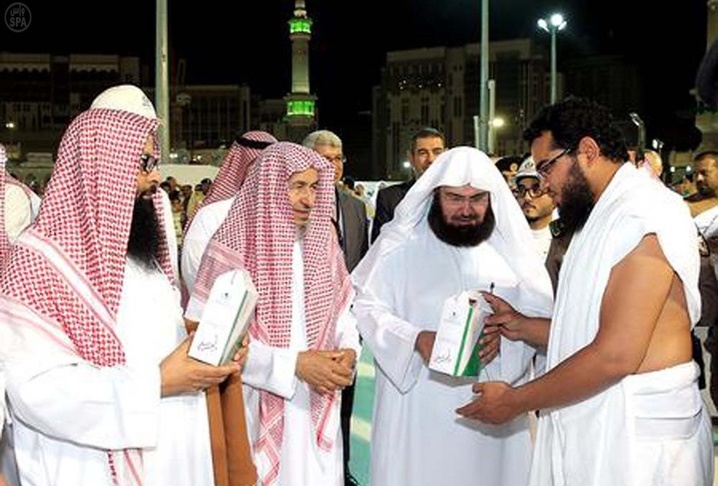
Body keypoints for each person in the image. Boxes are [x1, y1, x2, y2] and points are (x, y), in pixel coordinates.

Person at [456, 96, 714, 485]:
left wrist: (516, 400)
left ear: (588, 151)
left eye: (547, 167)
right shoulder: (601, 216)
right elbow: (598, 327)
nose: (544, 183)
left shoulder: (642, 214)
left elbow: (617, 354)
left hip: (642, 447)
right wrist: (525, 326)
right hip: (610, 429)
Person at [0, 84, 247, 486]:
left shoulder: (142, 252)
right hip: (87, 466)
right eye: (145, 161)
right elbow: (35, 391)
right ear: (104, 165)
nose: (155, 175)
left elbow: (151, 340)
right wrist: (158, 383)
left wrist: (211, 346)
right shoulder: (37, 262)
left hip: (177, 454)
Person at [351, 146, 554, 486]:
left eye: (477, 199)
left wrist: (505, 342)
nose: (467, 209)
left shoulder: (515, 256)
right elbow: (365, 307)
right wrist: (416, 339)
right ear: (434, 197)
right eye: (455, 198)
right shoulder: (398, 248)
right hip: (417, 405)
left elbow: (540, 323)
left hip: (493, 408)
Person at [185, 142, 361, 486]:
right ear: (269, 186)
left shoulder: (323, 239)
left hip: (318, 403)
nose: (308, 199)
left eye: (313, 187)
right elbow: (209, 344)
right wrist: (292, 365)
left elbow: (344, 310)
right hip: (254, 404)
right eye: (296, 186)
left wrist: (349, 349)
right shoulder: (232, 247)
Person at [301, 129, 368, 486]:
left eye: (338, 159)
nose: (333, 167)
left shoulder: (355, 207)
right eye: (325, 160)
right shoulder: (294, 210)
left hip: (346, 326)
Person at [181, 131, 277, 296]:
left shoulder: (286, 215)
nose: (266, 174)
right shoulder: (212, 214)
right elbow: (194, 271)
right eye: (258, 166)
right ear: (242, 168)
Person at [370, 127, 446, 242]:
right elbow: (379, 249)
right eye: (422, 153)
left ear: (447, 156)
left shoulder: (464, 197)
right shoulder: (389, 198)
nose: (431, 159)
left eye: (437, 152)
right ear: (411, 158)